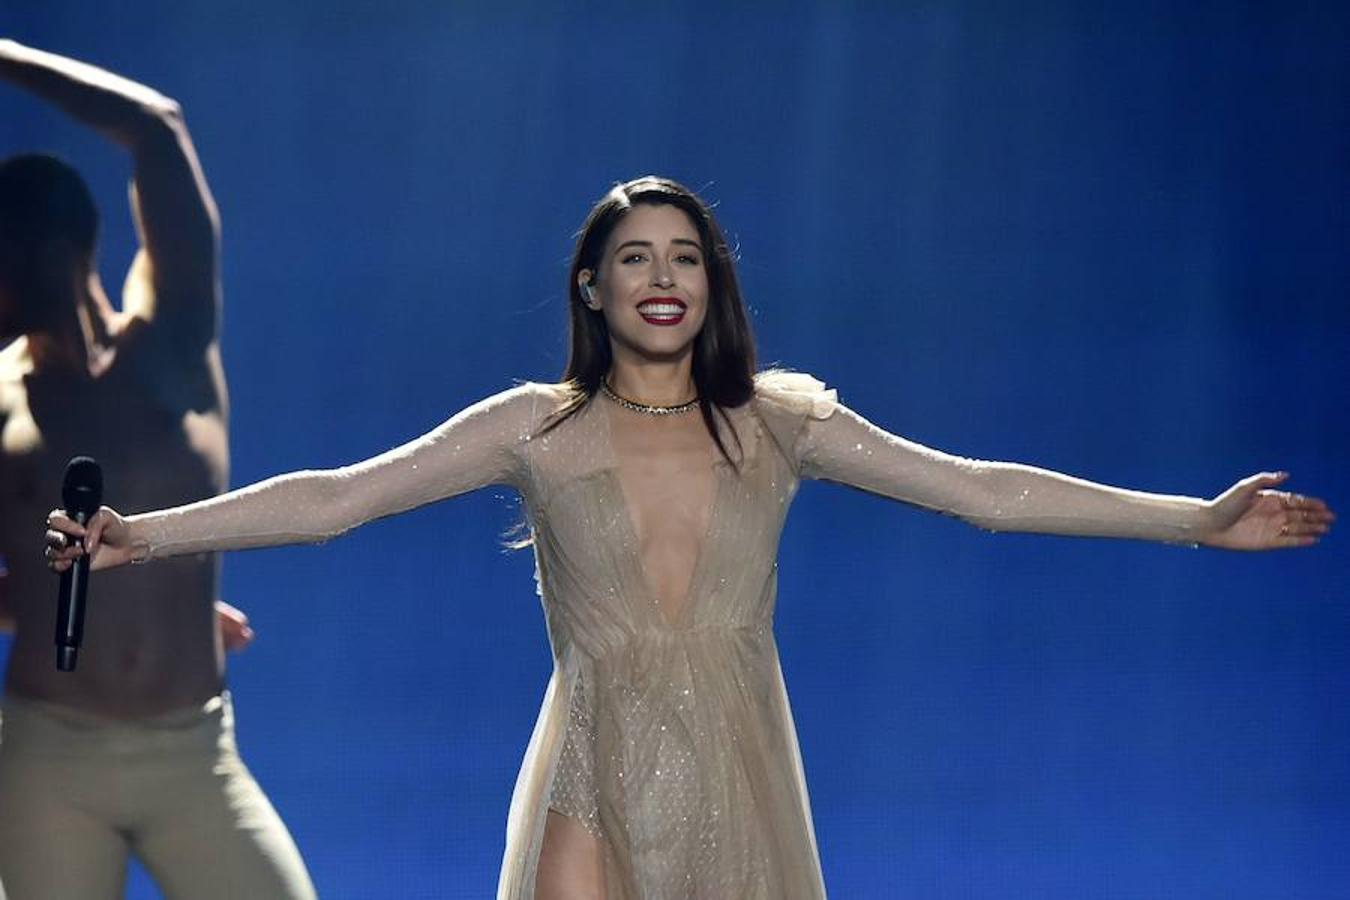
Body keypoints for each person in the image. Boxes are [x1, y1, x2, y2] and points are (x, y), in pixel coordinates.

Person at [46, 175, 1333, 900]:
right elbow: (334, 500)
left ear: (711, 286)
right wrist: (138, 537)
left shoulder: (779, 421)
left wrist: (1192, 524)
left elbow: (984, 490)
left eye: (688, 257)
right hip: (591, 753)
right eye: (635, 255)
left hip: (733, 756)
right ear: (591, 288)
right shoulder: (534, 429)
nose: (664, 274)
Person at [0, 41, 315, 899]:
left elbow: (154, 126)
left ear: (55, 249)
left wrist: (6, 56)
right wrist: (66, 589)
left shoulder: (172, 338)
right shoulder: (5, 400)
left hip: (191, 751)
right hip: (49, 757)